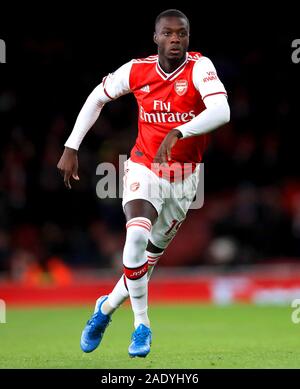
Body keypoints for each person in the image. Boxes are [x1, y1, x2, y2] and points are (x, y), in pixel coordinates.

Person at [57, 9, 230, 358]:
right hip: (143, 168)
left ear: (188, 37)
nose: (175, 39)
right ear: (156, 38)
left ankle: (104, 309)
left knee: (144, 264)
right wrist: (71, 145)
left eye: (181, 33)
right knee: (135, 236)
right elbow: (98, 97)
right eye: (167, 33)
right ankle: (142, 326)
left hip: (184, 181)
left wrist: (181, 130)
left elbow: (222, 111)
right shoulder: (137, 70)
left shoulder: (200, 68)